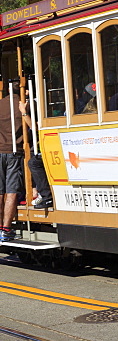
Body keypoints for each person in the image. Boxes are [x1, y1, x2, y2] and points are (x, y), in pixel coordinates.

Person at [17, 101, 53, 210]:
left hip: (46, 149)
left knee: (33, 162)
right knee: (27, 161)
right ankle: (35, 191)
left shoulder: (41, 118)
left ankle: (43, 194)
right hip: (39, 148)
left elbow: (34, 127)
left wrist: (23, 113)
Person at [0, 85, 24, 241]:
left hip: (0, 150)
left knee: (0, 191)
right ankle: (6, 228)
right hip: (15, 152)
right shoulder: (22, 104)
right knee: (12, 191)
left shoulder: (0, 104)